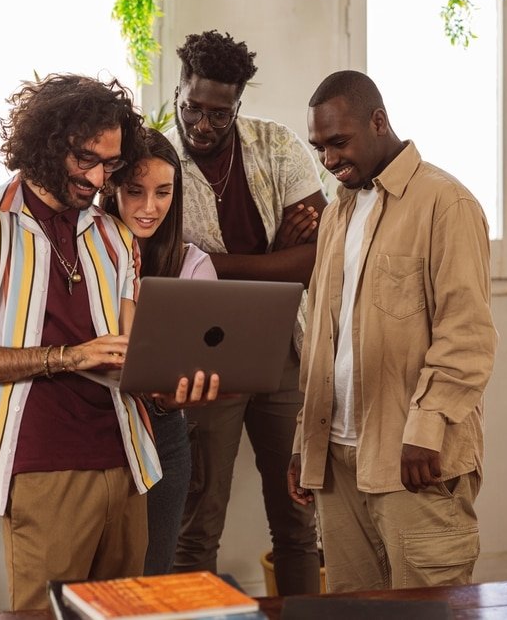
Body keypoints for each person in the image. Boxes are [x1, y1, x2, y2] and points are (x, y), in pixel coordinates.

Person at [0, 74, 217, 611]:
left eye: (110, 163)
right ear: (47, 144)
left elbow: (134, 357)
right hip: (44, 467)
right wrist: (66, 357)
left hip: (130, 461)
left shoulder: (113, 235)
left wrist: (176, 389)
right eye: (87, 160)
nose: (100, 176)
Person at [288, 70, 498, 592]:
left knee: (426, 611)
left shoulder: (446, 203)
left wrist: (427, 428)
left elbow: (467, 335)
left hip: (414, 463)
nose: (329, 160)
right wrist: (304, 441)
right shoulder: (338, 212)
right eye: (320, 147)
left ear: (379, 122)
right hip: (337, 464)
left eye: (339, 142)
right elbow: (321, 337)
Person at [163, 30, 326, 595]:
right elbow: (160, 272)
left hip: (284, 349)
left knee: (299, 518)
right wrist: (273, 255)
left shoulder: (276, 145)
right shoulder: (156, 166)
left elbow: (314, 261)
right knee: (197, 523)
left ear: (239, 104)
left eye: (220, 113)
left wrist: (214, 263)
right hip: (206, 360)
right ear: (177, 90)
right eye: (192, 108)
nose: (203, 125)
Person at [101, 128, 217, 576]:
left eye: (163, 193)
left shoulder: (192, 264)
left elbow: (204, 359)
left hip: (163, 431)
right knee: (93, 583)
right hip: (94, 426)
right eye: (135, 191)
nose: (149, 208)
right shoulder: (84, 254)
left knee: (152, 577)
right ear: (112, 189)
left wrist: (181, 392)